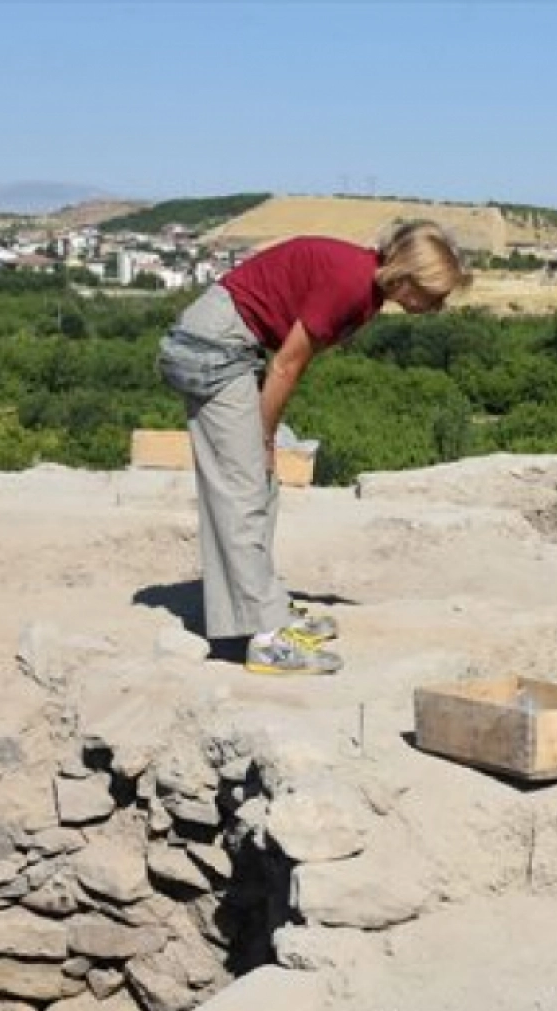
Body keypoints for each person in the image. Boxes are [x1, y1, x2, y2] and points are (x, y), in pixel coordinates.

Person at [156, 222, 470, 675]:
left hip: (230, 345)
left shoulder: (365, 287)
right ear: (404, 276)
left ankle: (264, 612)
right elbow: (287, 365)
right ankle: (264, 640)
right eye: (433, 294)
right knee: (242, 489)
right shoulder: (351, 283)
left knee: (259, 487)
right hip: (214, 347)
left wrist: (266, 435)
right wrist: (264, 437)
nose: (437, 307)